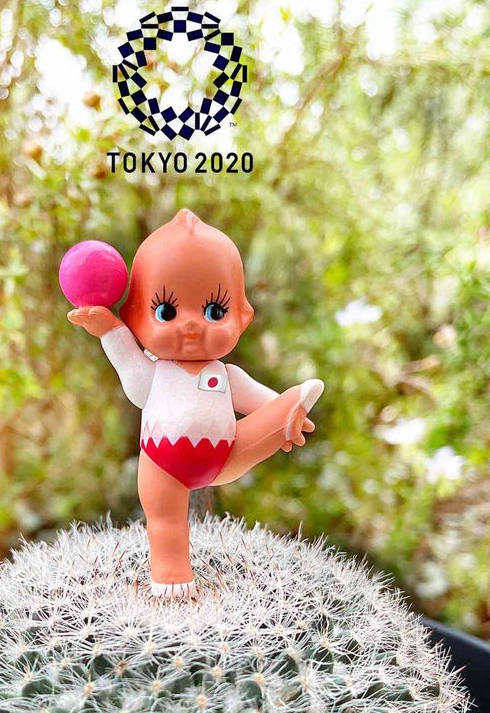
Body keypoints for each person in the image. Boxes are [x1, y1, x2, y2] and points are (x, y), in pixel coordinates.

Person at [68, 209, 323, 598]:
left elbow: (259, 400)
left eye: (214, 312)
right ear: (134, 317)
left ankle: (289, 413)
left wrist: (281, 412)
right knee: (165, 520)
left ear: (242, 317)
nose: (190, 325)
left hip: (223, 455)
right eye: (166, 311)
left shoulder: (227, 376)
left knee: (264, 423)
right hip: (161, 465)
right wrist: (109, 330)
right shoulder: (155, 374)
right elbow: (130, 370)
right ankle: (171, 575)